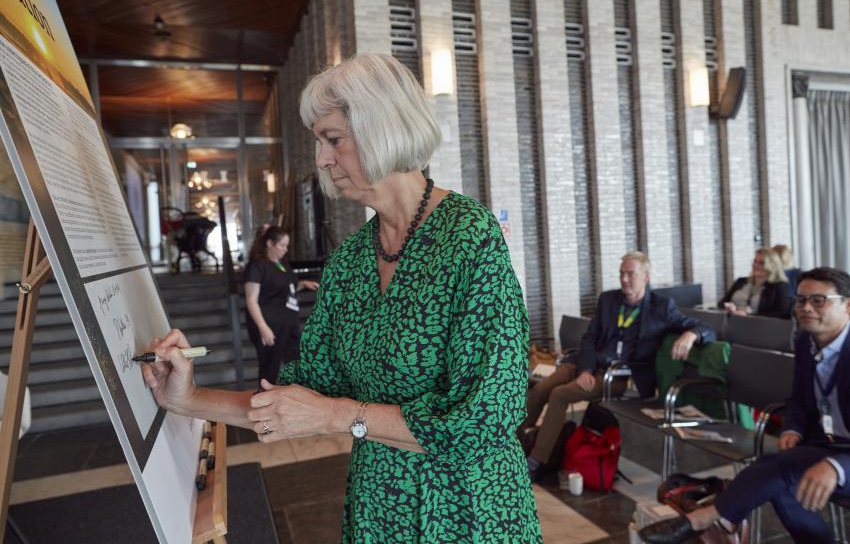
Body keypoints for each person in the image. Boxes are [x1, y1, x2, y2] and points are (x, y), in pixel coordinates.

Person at [142, 53, 541, 542]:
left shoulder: (469, 236)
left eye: (333, 139)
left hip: (468, 511)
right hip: (378, 510)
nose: (322, 159)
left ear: (383, 127)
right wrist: (187, 398)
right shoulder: (351, 261)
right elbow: (295, 398)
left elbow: (485, 419)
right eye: (319, 142)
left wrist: (336, 415)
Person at [640, 267, 850, 544]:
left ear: (847, 305)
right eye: (800, 300)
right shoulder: (805, 343)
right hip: (827, 443)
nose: (807, 307)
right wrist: (794, 429)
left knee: (778, 472)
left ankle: (706, 517)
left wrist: (837, 466)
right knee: (776, 475)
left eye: (819, 300)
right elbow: (800, 400)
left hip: (842, 455)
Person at [524, 252, 716, 478]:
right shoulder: (608, 300)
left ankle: (536, 460)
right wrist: (585, 369)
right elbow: (589, 338)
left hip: (617, 376)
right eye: (622, 274)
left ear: (645, 276)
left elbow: (706, 328)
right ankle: (507, 446)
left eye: (630, 274)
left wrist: (690, 335)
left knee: (559, 394)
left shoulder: (661, 307)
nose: (624, 279)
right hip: (588, 364)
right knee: (540, 390)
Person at [244, 226, 318, 386]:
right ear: (270, 243)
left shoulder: (282, 262)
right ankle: (263, 402)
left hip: (289, 321)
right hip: (269, 323)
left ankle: (295, 399)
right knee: (270, 368)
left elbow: (285, 287)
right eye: (282, 245)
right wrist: (263, 328)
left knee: (296, 363)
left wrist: (303, 284)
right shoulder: (257, 266)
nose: (285, 249)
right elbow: (251, 300)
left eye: (287, 245)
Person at [718, 248, 791, 318]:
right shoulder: (741, 281)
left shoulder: (779, 286)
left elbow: (783, 313)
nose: (756, 265)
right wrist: (729, 307)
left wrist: (750, 316)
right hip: (733, 322)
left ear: (772, 266)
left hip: (759, 326)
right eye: (755, 261)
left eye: (761, 263)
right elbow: (721, 304)